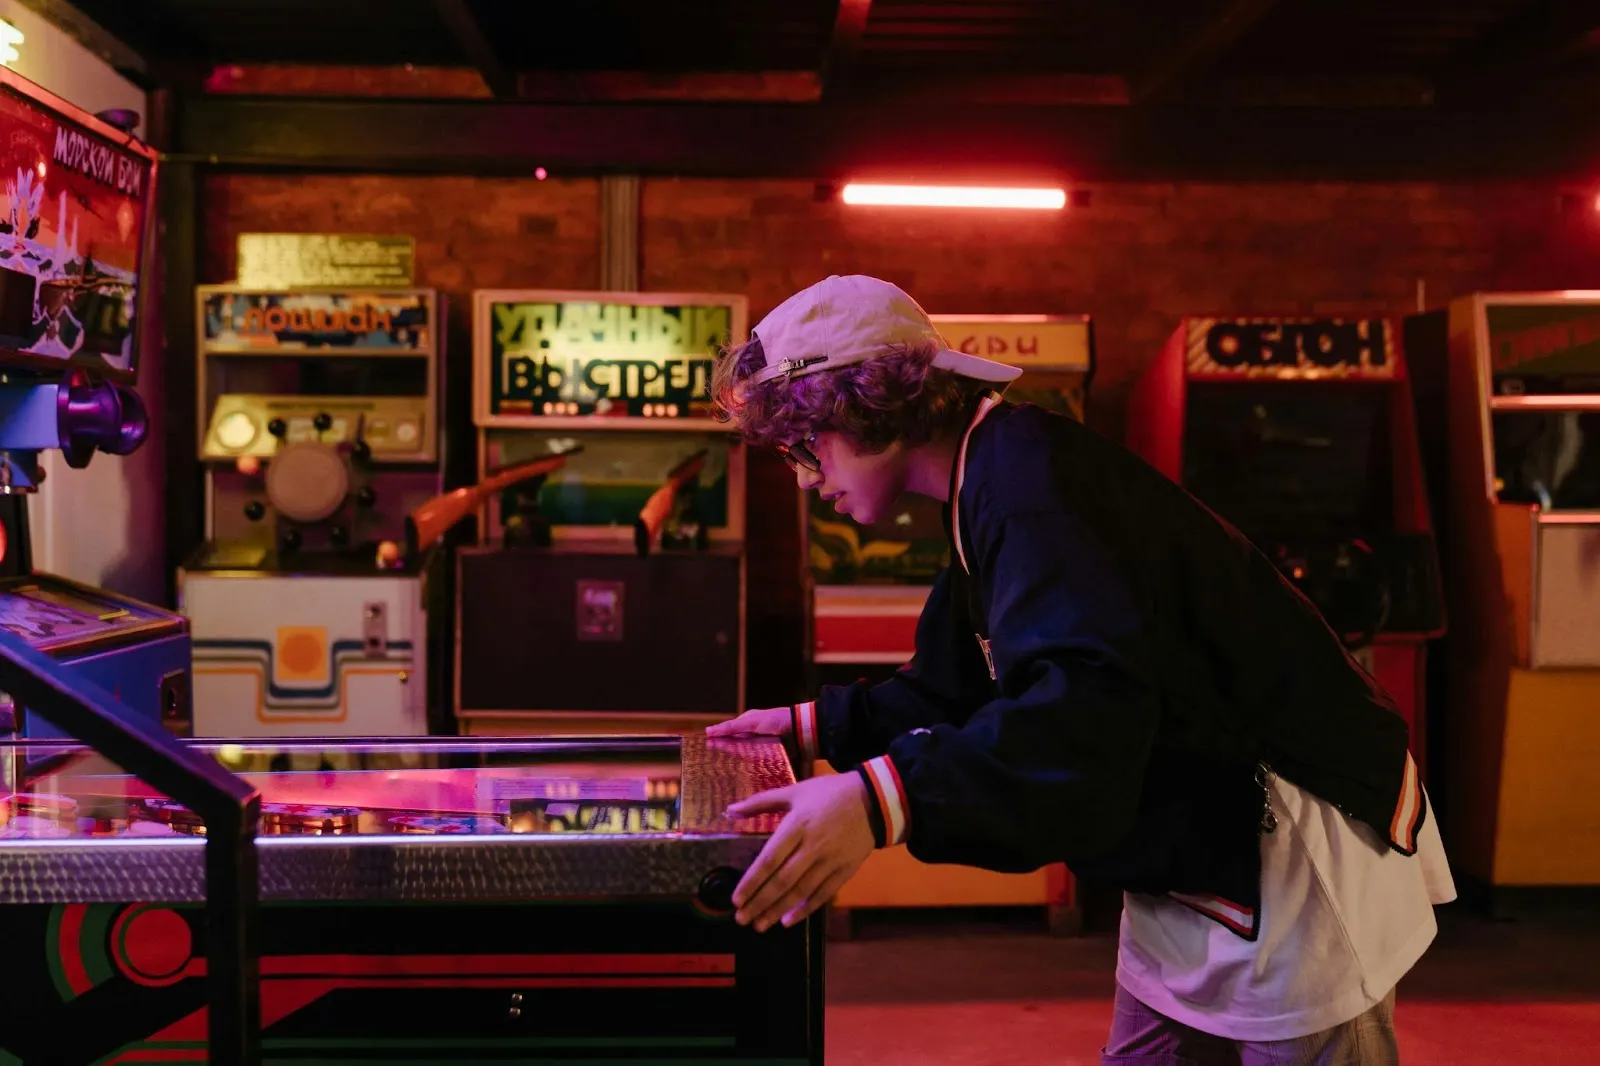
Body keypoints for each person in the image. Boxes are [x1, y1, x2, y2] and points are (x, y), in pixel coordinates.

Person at [707, 274, 1455, 1065]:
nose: (802, 474)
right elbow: (959, 683)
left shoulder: (1030, 488)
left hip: (1283, 841)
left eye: (802, 443)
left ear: (866, 406)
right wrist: (815, 728)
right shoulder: (990, 478)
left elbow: (1077, 718)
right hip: (1190, 840)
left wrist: (876, 803)